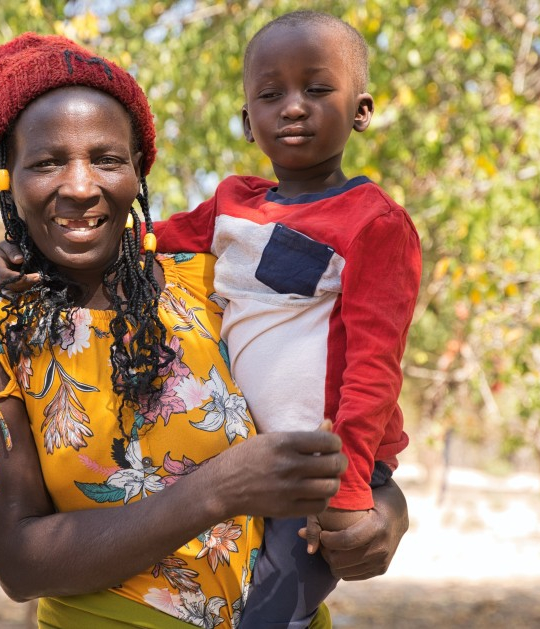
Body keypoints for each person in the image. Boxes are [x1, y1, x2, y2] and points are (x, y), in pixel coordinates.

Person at [0, 33, 352, 629]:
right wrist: (217, 491)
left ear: (137, 171)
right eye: (47, 162)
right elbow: (20, 562)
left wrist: (387, 512)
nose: (80, 187)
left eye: (106, 158)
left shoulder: (214, 284)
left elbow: (322, 409)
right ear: (5, 179)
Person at [144, 11, 422, 627]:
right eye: (271, 95)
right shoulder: (231, 203)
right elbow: (149, 240)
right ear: (249, 122)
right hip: (244, 461)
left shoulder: (374, 224)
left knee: (267, 615)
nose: (293, 107)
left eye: (317, 89)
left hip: (319, 468)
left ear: (361, 109)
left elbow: (376, 367)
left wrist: (348, 485)